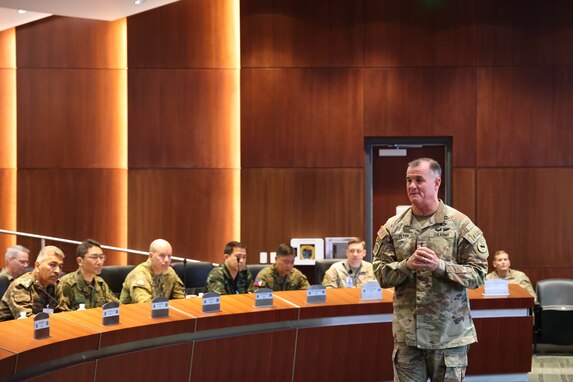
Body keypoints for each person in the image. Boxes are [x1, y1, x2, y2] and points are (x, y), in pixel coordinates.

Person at [372, 158, 489, 382]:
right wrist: (407, 266)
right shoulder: (393, 226)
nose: (412, 186)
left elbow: (478, 274)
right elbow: (380, 274)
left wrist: (441, 267)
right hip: (408, 338)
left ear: (436, 183)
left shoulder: (460, 225)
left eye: (419, 180)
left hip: (448, 338)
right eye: (408, 180)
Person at [0, 245, 69, 321]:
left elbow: (63, 313)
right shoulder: (21, 286)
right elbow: (26, 319)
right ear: (37, 266)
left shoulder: (56, 285)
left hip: (43, 327)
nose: (57, 271)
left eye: (60, 266)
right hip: (8, 328)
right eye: (52, 265)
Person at [119, 239, 185, 304]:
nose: (167, 260)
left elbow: (180, 299)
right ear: (151, 256)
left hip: (159, 313)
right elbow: (145, 305)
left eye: (169, 256)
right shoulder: (139, 275)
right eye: (162, 256)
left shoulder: (170, 272)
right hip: (133, 313)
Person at [60, 239, 119, 310]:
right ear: (80, 261)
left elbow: (117, 306)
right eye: (94, 257)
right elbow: (61, 314)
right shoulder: (66, 283)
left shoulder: (100, 283)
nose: (100, 262)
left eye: (101, 257)